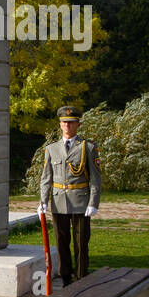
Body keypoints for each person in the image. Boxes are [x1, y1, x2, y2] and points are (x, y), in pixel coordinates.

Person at [39, 105, 101, 287]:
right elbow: (46, 178)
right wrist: (43, 201)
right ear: (60, 125)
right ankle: (66, 278)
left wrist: (93, 202)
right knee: (61, 241)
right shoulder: (51, 149)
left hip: (81, 200)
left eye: (71, 123)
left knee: (81, 243)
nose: (67, 126)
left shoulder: (87, 148)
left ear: (78, 124)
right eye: (64, 123)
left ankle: (81, 278)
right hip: (59, 201)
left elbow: (96, 179)